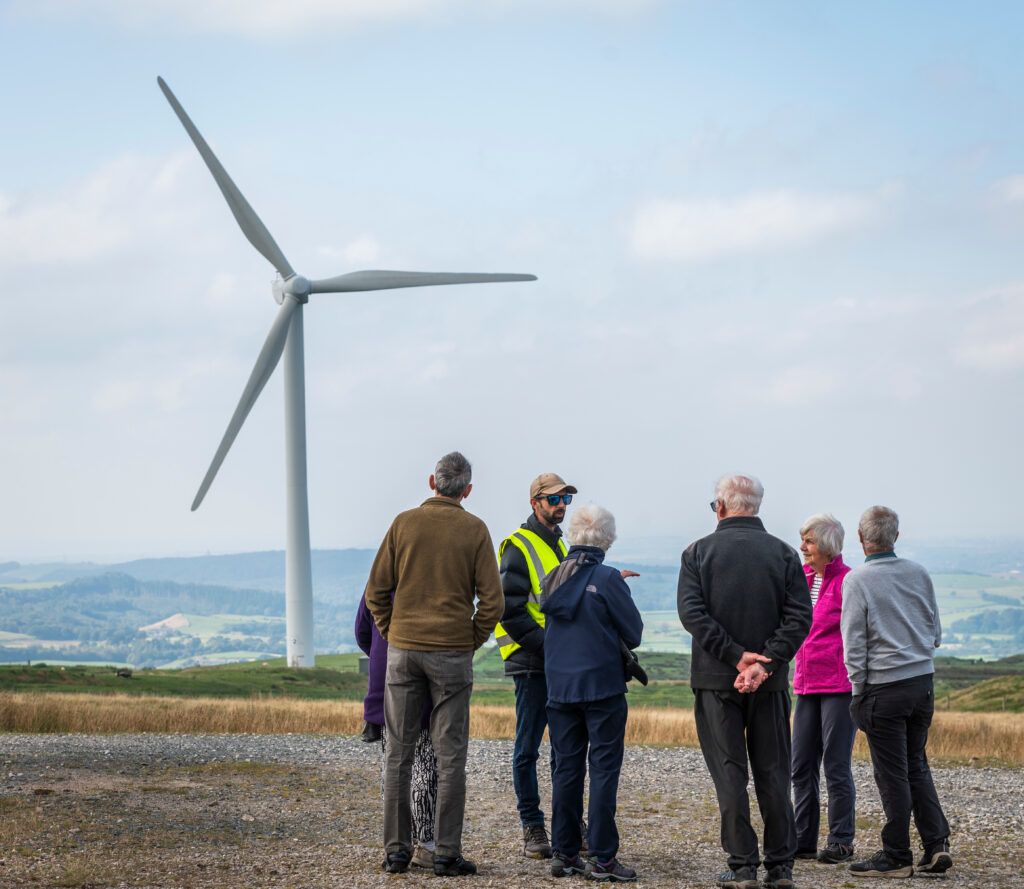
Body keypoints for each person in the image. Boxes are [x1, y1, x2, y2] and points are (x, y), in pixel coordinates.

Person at [366, 451, 504, 877]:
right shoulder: (475, 529)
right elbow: (493, 602)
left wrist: (393, 633)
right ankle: (445, 852)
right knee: (451, 756)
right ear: (467, 490)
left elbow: (375, 593)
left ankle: (396, 852)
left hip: (403, 652)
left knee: (398, 754)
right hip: (452, 654)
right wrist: (470, 640)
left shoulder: (403, 524)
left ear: (432, 481)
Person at [677, 474, 812, 889]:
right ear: (756, 506)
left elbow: (692, 614)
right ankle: (780, 867)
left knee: (730, 773)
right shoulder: (785, 554)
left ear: (720, 506)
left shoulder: (697, 552)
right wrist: (763, 664)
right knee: (774, 772)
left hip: (716, 680)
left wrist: (735, 657)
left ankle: (742, 867)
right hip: (769, 684)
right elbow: (799, 618)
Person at [841, 506, 952, 879]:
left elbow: (854, 643)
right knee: (916, 764)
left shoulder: (857, 580)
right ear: (896, 537)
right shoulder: (918, 573)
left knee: (892, 773)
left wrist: (858, 692)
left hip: (883, 688)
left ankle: (897, 855)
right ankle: (936, 845)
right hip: (922, 683)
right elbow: (936, 632)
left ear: (861, 538)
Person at [540, 504, 643, 882]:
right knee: (603, 770)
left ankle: (565, 853)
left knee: (566, 770)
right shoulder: (608, 578)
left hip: (559, 688)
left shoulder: (553, 577)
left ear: (573, 534)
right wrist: (617, 588)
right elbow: (633, 633)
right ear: (608, 538)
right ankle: (601, 857)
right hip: (602, 688)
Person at [493, 472, 576, 859]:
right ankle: (533, 827)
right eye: (553, 499)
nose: (561, 506)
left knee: (565, 747)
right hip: (530, 660)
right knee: (527, 748)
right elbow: (510, 611)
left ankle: (568, 826)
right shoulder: (518, 545)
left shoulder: (561, 546)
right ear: (535, 503)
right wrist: (551, 647)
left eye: (565, 499)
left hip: (559, 659)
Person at [791, 514, 858, 864]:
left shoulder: (848, 582)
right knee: (801, 765)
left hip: (838, 686)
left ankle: (841, 841)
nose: (802, 547)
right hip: (805, 685)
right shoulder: (799, 579)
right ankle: (802, 839)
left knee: (835, 765)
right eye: (803, 540)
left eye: (809, 541)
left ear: (828, 547)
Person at [355, 590, 437, 869]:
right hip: (422, 678)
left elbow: (362, 631)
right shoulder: (429, 577)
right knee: (424, 764)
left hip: (385, 680)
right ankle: (426, 844)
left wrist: (383, 654)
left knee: (392, 765)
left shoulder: (381, 578)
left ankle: (398, 844)